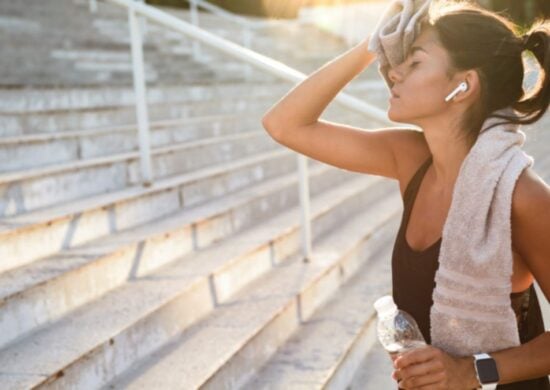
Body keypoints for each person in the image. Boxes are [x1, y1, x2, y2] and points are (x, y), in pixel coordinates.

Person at [261, 0, 550, 389]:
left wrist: (470, 370)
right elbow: (284, 124)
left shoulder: (521, 197)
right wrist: (373, 44)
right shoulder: (410, 159)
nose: (393, 73)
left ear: (463, 84)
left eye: (414, 63)